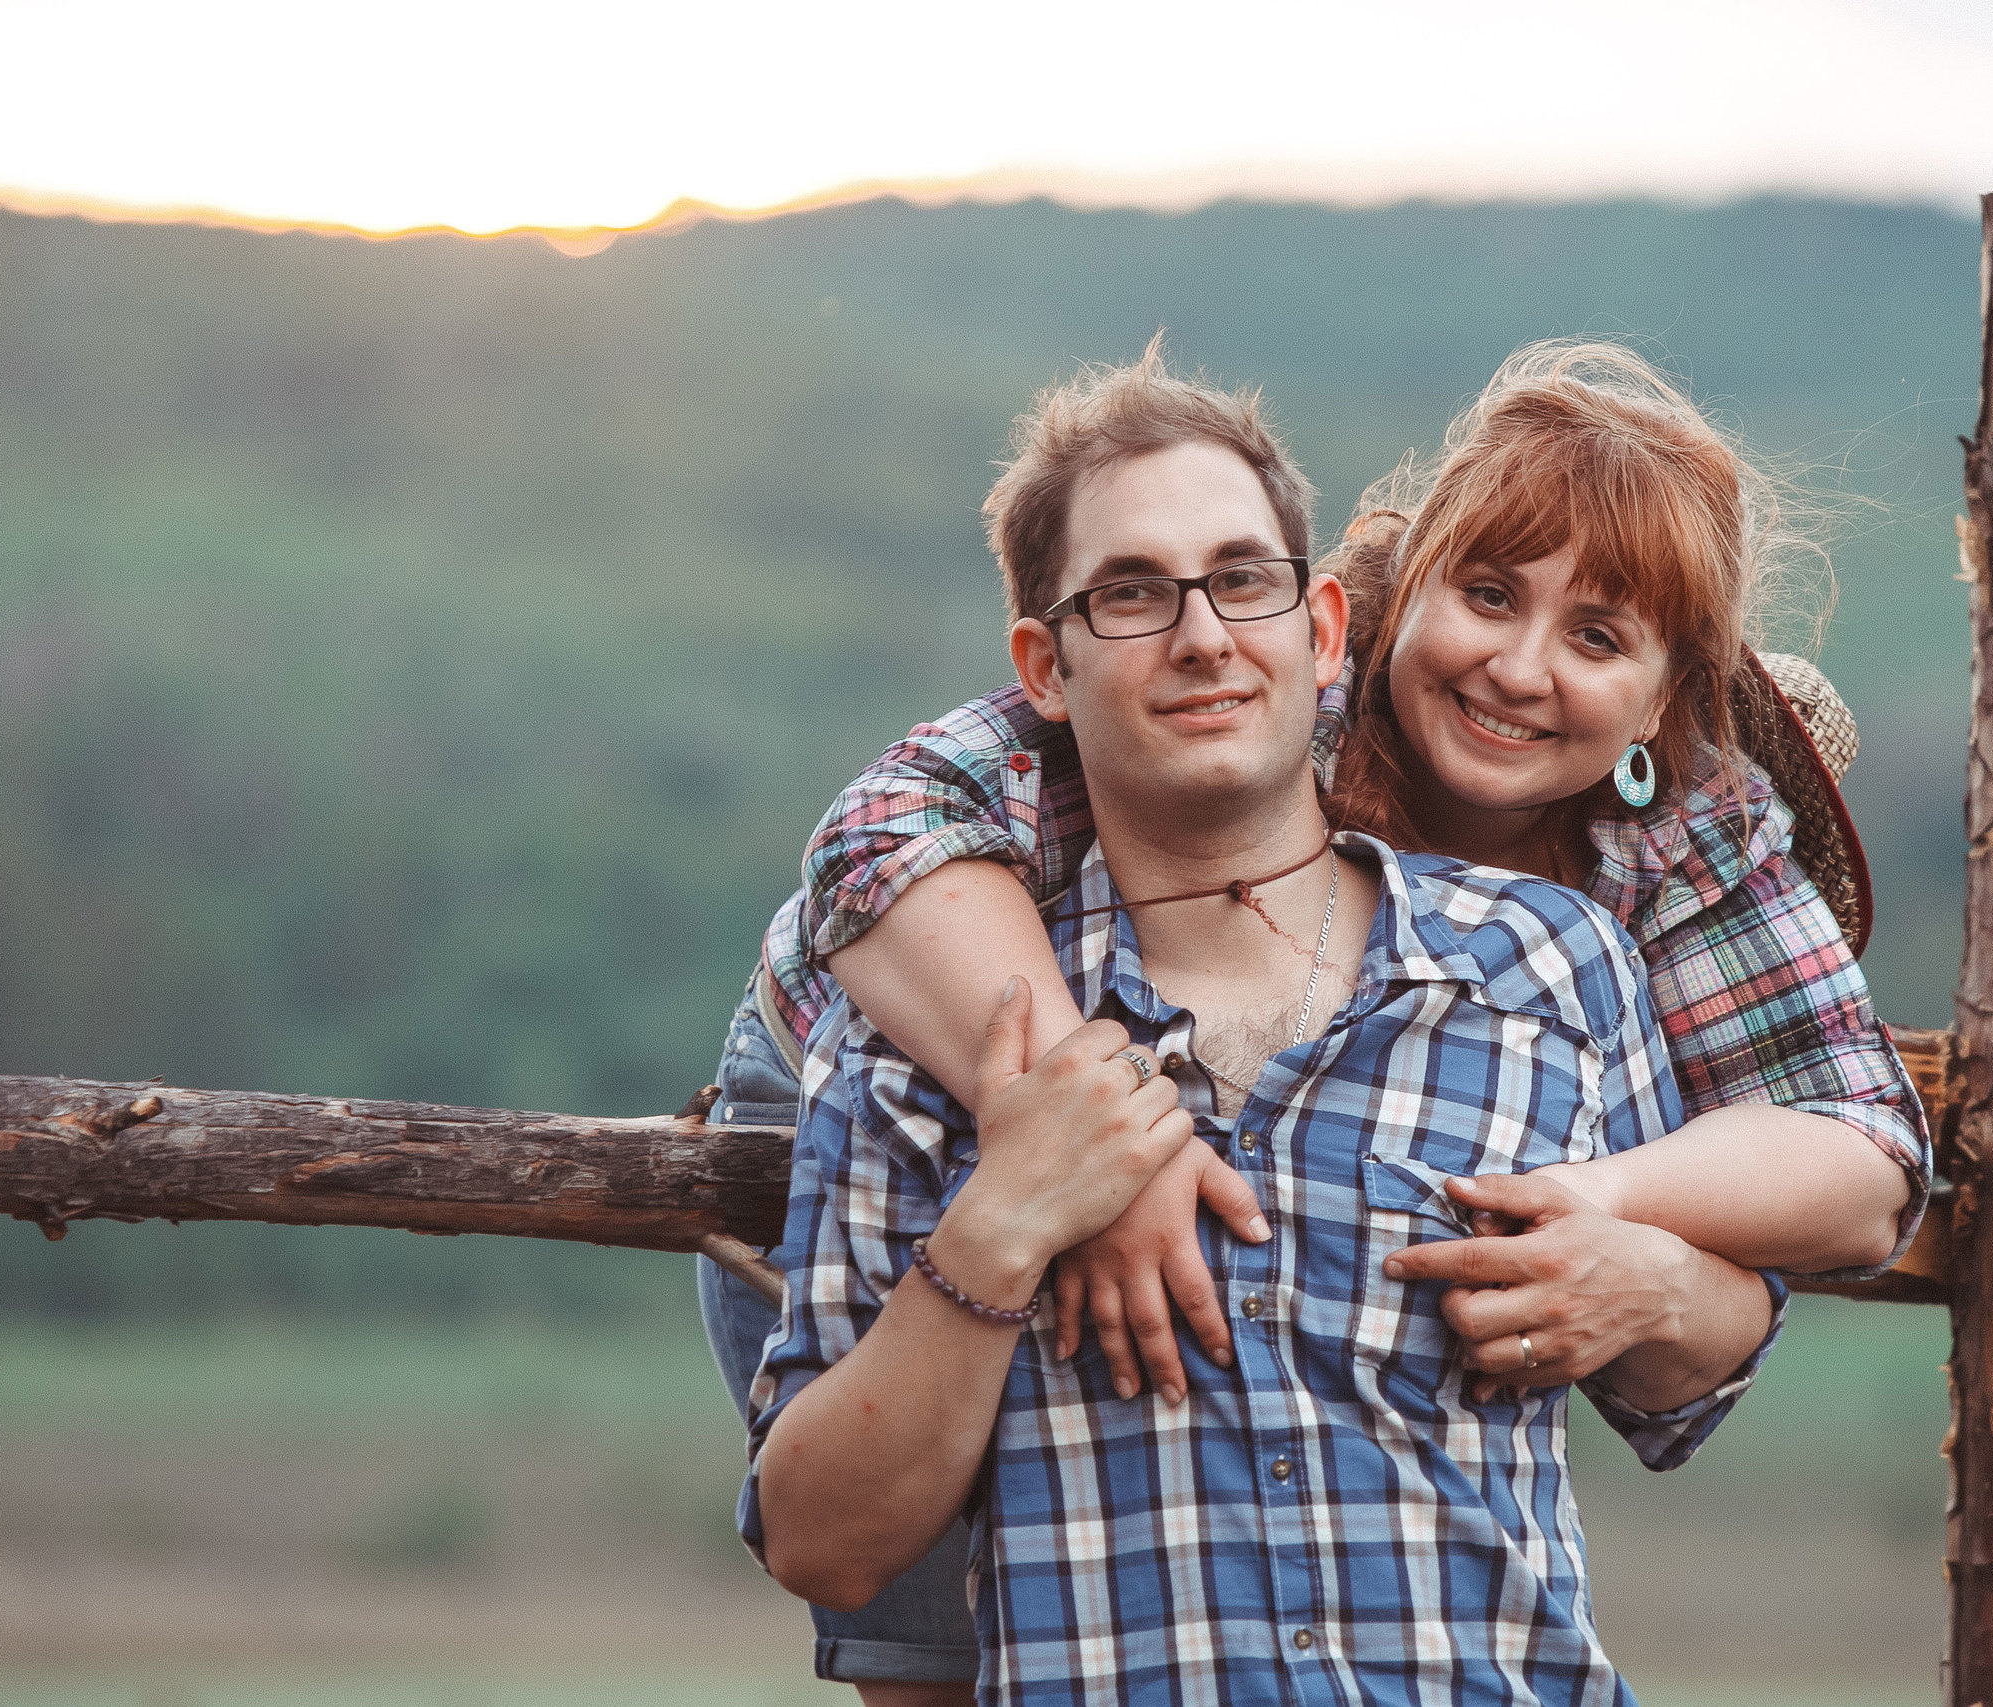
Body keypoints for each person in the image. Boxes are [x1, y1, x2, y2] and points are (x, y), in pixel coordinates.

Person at [700, 340, 1930, 1700]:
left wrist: (1607, 1212)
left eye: (1597, 638)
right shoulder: (1239, 685)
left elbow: (1859, 1148)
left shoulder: (1639, 877)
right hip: (885, 1017)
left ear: (1662, 702)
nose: (1520, 669)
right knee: (938, 1640)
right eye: (1488, 597)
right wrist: (1098, 1143)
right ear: (1382, 612)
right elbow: (881, 838)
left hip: (1336, 1054)